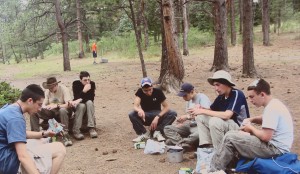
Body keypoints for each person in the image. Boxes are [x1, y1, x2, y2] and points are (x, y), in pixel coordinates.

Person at [209, 79, 294, 172]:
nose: (250, 101)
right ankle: (229, 167)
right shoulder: (275, 104)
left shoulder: (272, 109)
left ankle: (214, 170)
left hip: (275, 149)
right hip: (278, 146)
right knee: (235, 135)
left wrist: (251, 129)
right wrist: (252, 119)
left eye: (252, 97)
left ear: (262, 94)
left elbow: (266, 137)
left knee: (230, 137)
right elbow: (265, 119)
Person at [0, 84, 66, 174]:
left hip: (4, 153)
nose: (39, 109)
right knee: (59, 148)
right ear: (30, 100)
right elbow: (23, 156)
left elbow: (19, 133)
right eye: (39, 104)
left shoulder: (9, 109)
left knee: (41, 141)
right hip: (7, 163)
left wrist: (44, 134)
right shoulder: (16, 119)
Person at [190, 70, 250, 149]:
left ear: (226, 83)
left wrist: (203, 111)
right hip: (227, 126)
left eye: (218, 85)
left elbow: (227, 115)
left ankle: (219, 151)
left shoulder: (237, 94)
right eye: (214, 85)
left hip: (240, 129)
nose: (216, 88)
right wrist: (200, 108)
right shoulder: (221, 96)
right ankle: (207, 146)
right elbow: (211, 110)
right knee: (200, 117)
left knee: (215, 121)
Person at [164, 83, 211, 150]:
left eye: (185, 96)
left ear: (192, 92)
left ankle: (182, 142)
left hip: (200, 127)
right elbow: (189, 115)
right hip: (190, 125)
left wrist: (187, 117)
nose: (184, 98)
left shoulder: (202, 98)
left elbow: (207, 115)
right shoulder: (189, 101)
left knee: (197, 135)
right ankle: (183, 143)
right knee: (167, 128)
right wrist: (181, 122)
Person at [129, 77, 177, 142]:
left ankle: (158, 131)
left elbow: (166, 107)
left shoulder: (158, 92)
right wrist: (139, 110)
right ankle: (143, 133)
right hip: (145, 116)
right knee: (132, 114)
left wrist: (157, 117)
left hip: (157, 114)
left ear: (152, 86)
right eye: (145, 90)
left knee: (173, 113)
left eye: (150, 89)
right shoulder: (140, 92)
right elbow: (135, 106)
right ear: (142, 89)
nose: (148, 92)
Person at [30, 77, 74, 146]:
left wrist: (57, 106)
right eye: (49, 88)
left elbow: (69, 104)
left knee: (62, 110)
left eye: (51, 88)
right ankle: (36, 135)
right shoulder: (48, 91)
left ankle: (65, 135)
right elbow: (44, 103)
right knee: (34, 111)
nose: (50, 90)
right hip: (51, 111)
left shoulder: (64, 89)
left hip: (63, 110)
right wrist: (43, 107)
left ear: (56, 85)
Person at [72, 71, 98, 140]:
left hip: (88, 104)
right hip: (78, 106)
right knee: (81, 106)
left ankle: (91, 128)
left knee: (89, 102)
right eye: (85, 80)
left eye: (88, 79)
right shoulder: (76, 84)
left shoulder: (92, 84)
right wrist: (84, 91)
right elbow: (76, 98)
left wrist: (81, 98)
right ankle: (76, 131)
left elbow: (91, 98)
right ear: (80, 80)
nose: (87, 82)